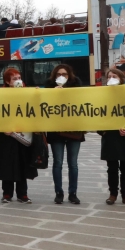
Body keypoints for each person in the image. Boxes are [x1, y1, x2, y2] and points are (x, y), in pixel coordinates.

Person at [0, 69, 34, 204]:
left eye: (19, 77)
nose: (18, 80)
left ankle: (22, 194)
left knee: (22, 162)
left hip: (22, 134)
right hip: (5, 135)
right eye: (14, 79)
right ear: (7, 81)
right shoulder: (0, 95)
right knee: (6, 163)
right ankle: (7, 193)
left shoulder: (28, 93)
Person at [45, 64, 84, 204]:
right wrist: (52, 94)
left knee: (73, 163)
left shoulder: (77, 86)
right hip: (56, 131)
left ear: (69, 76)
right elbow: (43, 103)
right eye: (59, 74)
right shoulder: (49, 86)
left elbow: (83, 102)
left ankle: (73, 192)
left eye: (65, 74)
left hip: (74, 129)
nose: (62, 76)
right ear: (55, 76)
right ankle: (59, 192)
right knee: (58, 162)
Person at [100, 68, 125, 206]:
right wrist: (102, 131)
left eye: (114, 76)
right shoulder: (102, 95)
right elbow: (96, 114)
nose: (111, 79)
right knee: (112, 168)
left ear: (121, 78)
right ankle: (113, 194)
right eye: (109, 77)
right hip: (110, 137)